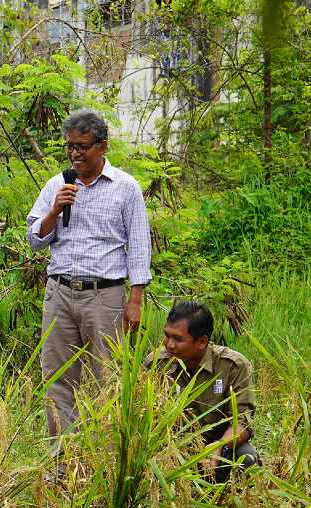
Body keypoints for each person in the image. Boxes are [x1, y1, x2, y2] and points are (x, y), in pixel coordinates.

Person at [26, 108, 152, 443]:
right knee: (58, 376)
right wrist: (54, 209)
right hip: (60, 293)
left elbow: (139, 245)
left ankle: (104, 457)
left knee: (107, 376)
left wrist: (135, 299)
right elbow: (35, 240)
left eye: (82, 146)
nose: (75, 153)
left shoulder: (125, 187)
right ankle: (62, 459)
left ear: (102, 146)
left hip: (105, 296)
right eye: (70, 146)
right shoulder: (57, 184)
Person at [148, 302, 260, 483]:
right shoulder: (156, 363)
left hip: (220, 445)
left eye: (178, 339)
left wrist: (217, 447)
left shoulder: (233, 366)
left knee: (246, 459)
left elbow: (243, 421)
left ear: (202, 342)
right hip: (171, 447)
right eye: (166, 336)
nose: (169, 345)